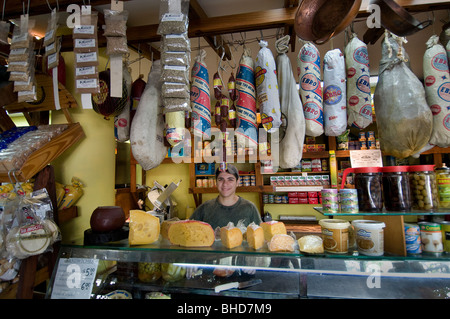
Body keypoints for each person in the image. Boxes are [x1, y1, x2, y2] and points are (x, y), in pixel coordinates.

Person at [190, 164, 262, 229]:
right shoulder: (204, 209)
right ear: (216, 182)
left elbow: (261, 237)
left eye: (230, 179)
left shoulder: (250, 208)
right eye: (221, 179)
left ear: (237, 182)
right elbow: (188, 232)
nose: (225, 184)